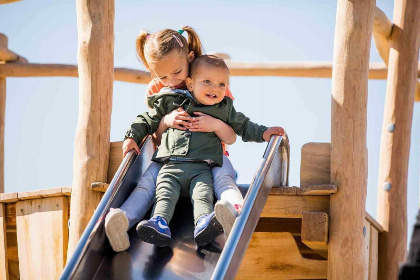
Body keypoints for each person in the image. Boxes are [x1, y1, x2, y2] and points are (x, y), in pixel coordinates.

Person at [105, 27, 255, 251]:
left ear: (190, 58)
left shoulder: (210, 81)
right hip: (170, 158)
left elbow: (232, 134)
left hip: (210, 156)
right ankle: (122, 221)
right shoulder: (159, 90)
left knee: (223, 178)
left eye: (177, 72)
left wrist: (214, 124)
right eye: (162, 76)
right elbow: (154, 135)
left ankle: (233, 211)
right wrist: (165, 120)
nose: (171, 80)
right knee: (147, 184)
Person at [133, 54, 285, 247]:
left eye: (222, 84)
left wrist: (264, 133)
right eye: (207, 82)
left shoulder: (223, 109)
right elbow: (147, 120)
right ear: (189, 84)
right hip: (171, 165)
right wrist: (132, 136)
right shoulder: (171, 101)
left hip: (202, 167)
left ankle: (203, 223)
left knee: (203, 193)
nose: (215, 88)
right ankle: (159, 222)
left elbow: (244, 126)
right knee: (165, 193)